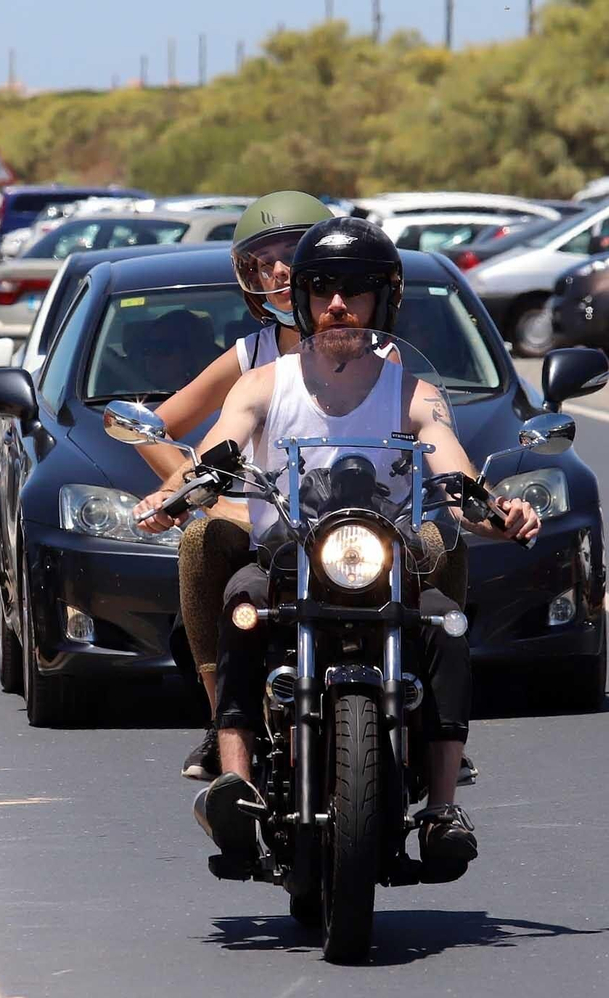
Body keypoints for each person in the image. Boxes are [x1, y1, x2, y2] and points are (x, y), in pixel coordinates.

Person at [140, 217, 541, 876]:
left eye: (354, 290)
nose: (336, 305)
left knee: (445, 618)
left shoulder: (413, 392)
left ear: (383, 301)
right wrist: (182, 489)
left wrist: (499, 510)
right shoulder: (266, 383)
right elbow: (223, 441)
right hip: (290, 555)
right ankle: (234, 779)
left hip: (380, 558)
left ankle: (441, 804)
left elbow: (454, 467)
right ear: (301, 299)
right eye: (323, 288)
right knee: (242, 602)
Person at [131, 191, 335, 780]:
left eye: (291, 253)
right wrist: (189, 490)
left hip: (353, 524)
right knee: (200, 542)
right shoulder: (252, 355)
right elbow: (157, 425)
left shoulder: (375, 349)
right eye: (261, 261)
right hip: (269, 523)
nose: (278, 270)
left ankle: (434, 723)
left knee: (436, 540)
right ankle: (225, 724)